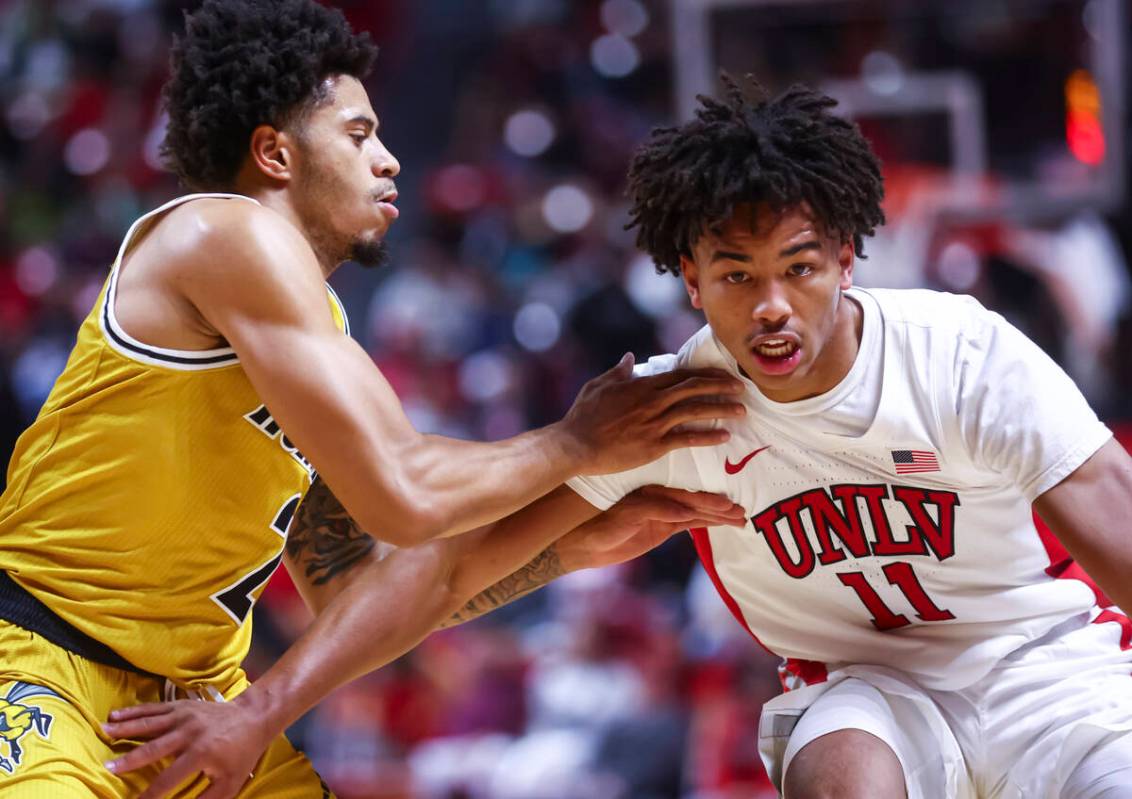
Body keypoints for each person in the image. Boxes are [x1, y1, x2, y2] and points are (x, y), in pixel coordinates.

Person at [111, 75, 1132, 798]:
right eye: (735, 275)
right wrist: (261, 707)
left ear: (848, 258)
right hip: (861, 692)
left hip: (1035, 662)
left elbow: (1117, 526)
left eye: (799, 268)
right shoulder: (667, 408)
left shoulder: (959, 354)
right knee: (841, 775)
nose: (770, 306)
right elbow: (439, 569)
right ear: (689, 281)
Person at [0, 0, 752, 794]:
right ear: (275, 154)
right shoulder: (224, 232)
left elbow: (375, 589)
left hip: (189, 706)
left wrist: (571, 536)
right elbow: (407, 493)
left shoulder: (304, 330)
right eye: (359, 135)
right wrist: (578, 444)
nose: (389, 160)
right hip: (42, 666)